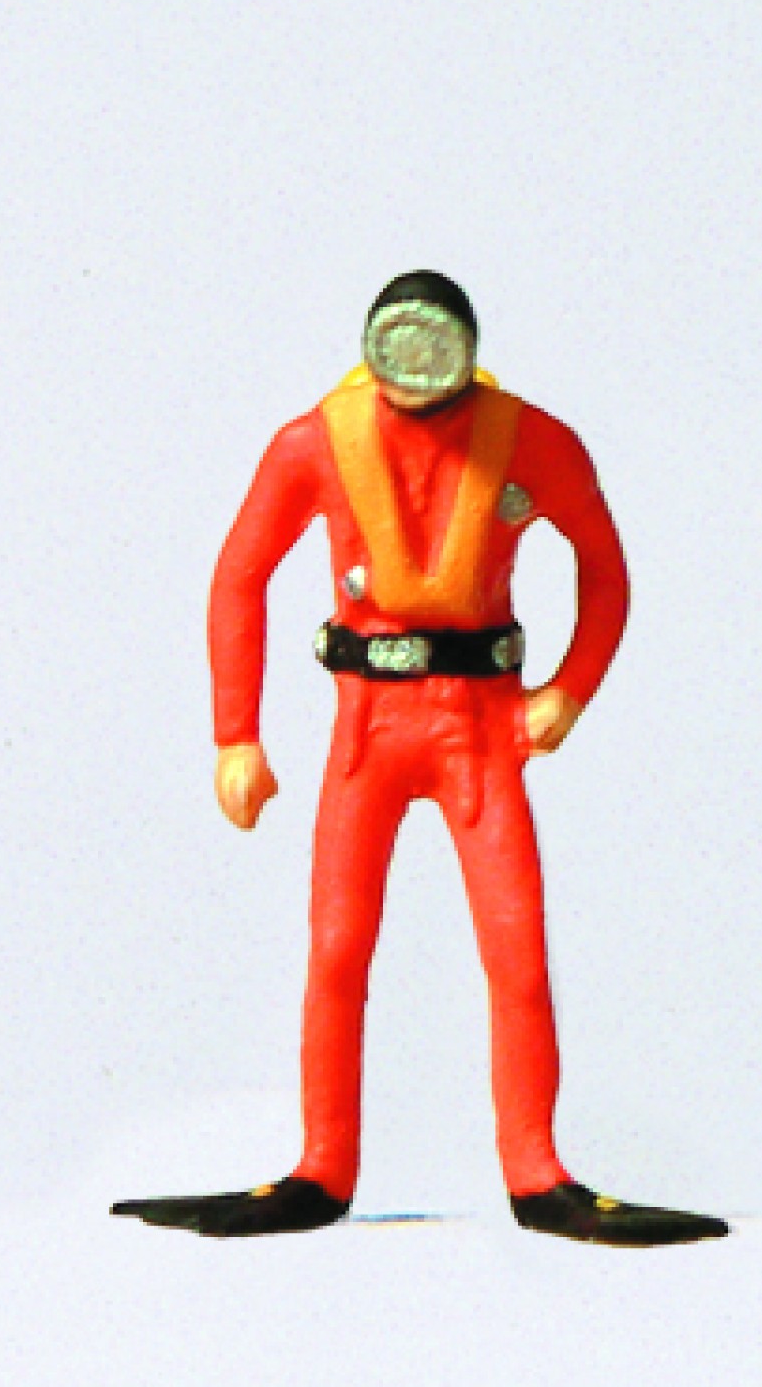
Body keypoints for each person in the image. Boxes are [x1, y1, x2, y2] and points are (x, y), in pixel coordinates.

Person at [113, 272, 727, 1247]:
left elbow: (605, 567)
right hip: (368, 725)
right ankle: (322, 1166)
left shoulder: (534, 442)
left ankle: (536, 1170)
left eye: (433, 347)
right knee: (336, 946)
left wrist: (569, 689)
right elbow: (239, 575)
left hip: (481, 725)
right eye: (398, 347)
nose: (416, 370)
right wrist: (236, 733)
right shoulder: (314, 443)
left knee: (515, 948)